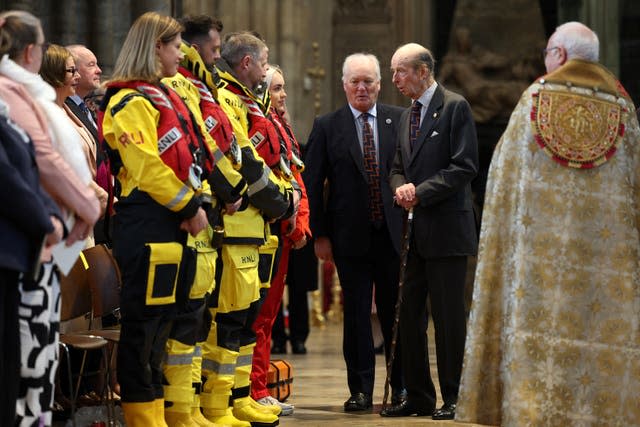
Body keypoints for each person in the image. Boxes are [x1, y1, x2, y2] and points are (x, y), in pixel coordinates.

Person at [456, 22, 640, 426]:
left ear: (558, 54)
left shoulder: (536, 99)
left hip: (537, 271)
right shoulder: (623, 108)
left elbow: (504, 181)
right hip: (605, 273)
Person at [177, 15, 293, 427]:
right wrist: (280, 201)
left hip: (253, 230)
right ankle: (212, 403)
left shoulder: (240, 99)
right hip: (234, 227)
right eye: (264, 65)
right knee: (219, 323)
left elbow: (262, 158)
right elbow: (237, 157)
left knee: (244, 323)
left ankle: (237, 398)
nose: (266, 72)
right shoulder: (223, 97)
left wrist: (285, 197)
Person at [99, 12, 212, 426]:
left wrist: (200, 204)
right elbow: (146, 166)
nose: (181, 52)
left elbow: (190, 159)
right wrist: (189, 207)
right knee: (143, 329)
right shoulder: (129, 101)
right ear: (155, 48)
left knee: (165, 325)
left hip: (172, 224)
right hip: (146, 223)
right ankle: (142, 418)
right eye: (176, 44)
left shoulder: (163, 96)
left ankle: (158, 413)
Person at [0, 10, 100, 426]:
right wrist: (62, 215)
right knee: (26, 356)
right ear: (30, 51)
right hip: (31, 240)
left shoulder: (27, 94)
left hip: (46, 238)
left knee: (33, 352)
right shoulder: (13, 93)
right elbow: (38, 162)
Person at [381, 43, 478, 420]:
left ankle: (455, 396)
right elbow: (395, 167)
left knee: (449, 319)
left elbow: (464, 166)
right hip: (414, 233)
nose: (395, 79)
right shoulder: (407, 116)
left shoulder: (455, 107)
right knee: (407, 315)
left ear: (423, 71)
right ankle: (419, 395)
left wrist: (419, 191)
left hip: (448, 231)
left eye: (400, 71)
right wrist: (400, 187)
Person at [304, 52, 405, 412]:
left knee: (397, 314)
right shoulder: (328, 125)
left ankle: (401, 387)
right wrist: (320, 234)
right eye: (355, 81)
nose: (362, 88)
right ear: (343, 84)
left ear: (380, 84)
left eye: (369, 81)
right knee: (357, 314)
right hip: (349, 237)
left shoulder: (400, 120)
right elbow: (312, 184)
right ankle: (360, 388)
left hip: (394, 235)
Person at [248, 64, 310, 415]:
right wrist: (289, 215)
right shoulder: (260, 126)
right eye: (277, 89)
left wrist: (300, 221)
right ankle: (255, 389)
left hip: (283, 231)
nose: (283, 95)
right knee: (258, 315)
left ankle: (260, 386)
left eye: (284, 88)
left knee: (269, 315)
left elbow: (296, 178)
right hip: (265, 229)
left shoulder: (281, 127)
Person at [0, 96, 63, 425]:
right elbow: (10, 181)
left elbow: (32, 174)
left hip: (29, 249)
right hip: (16, 248)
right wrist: (44, 223)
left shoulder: (9, 112)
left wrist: (53, 217)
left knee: (20, 362)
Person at [40, 43, 108, 237]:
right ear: (54, 74)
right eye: (71, 71)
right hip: (67, 212)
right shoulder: (46, 114)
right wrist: (97, 196)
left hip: (85, 209)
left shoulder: (67, 110)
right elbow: (61, 166)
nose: (77, 76)